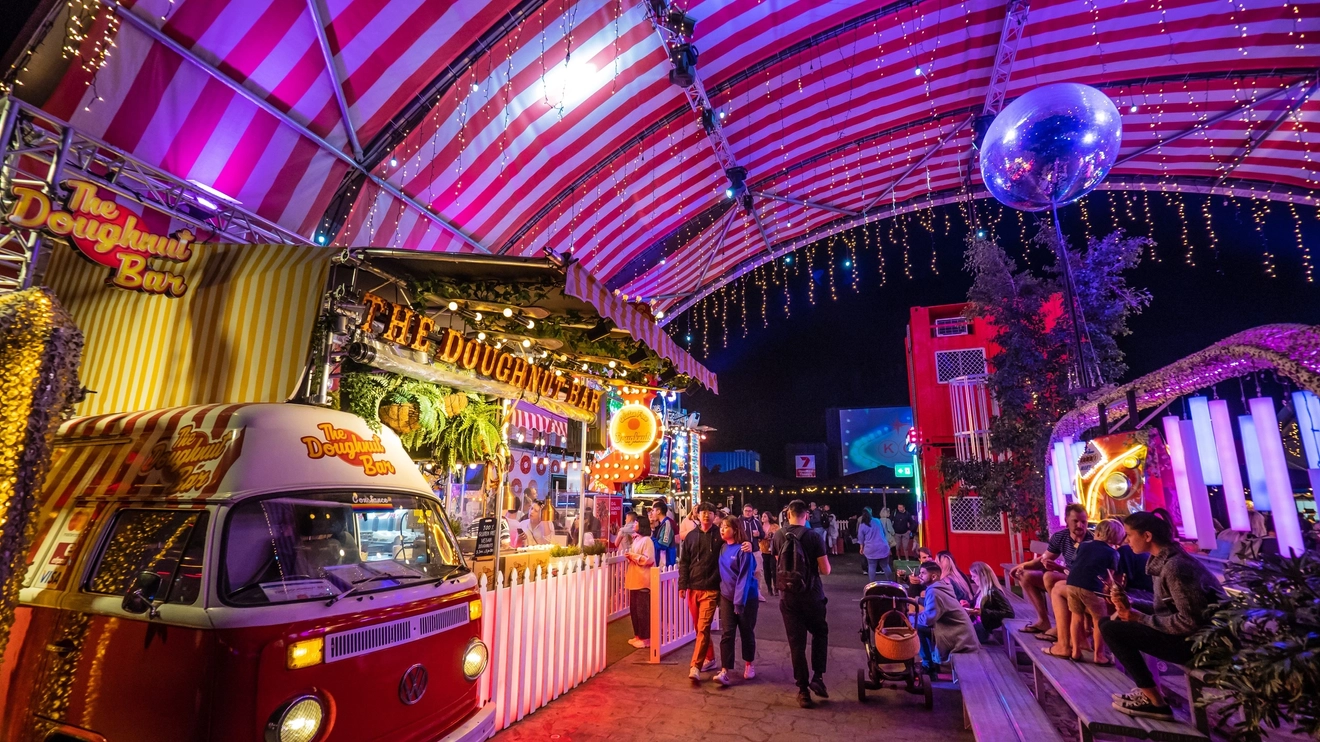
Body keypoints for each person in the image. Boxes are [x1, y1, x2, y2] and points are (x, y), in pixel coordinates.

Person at [1102, 511, 1225, 721]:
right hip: (1188, 639)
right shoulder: (1165, 562)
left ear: (1147, 536)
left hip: (1201, 647)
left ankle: (1155, 702)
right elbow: (1167, 609)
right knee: (1108, 622)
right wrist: (1132, 604)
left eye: (1130, 535)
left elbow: (1190, 621)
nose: (1126, 540)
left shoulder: (1176, 567)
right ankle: (1149, 693)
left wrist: (1139, 618)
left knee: (1111, 629)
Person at [774, 499, 831, 708]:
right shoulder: (814, 536)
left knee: (796, 643)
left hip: (788, 597)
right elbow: (825, 570)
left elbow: (778, 562)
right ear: (806, 515)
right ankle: (818, 677)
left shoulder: (779, 535)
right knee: (820, 633)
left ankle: (803, 690)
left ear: (788, 514)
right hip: (812, 595)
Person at [1010, 503, 1091, 640]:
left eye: (1083, 521)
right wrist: (1021, 567)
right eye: (1075, 521)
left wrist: (1058, 568)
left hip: (1084, 583)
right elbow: (1043, 559)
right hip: (1067, 578)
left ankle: (1062, 628)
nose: (1080, 525)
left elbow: (1082, 575)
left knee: (1049, 577)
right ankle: (1043, 621)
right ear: (1066, 521)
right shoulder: (1061, 537)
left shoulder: (1092, 542)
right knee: (1026, 575)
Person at [1050, 518, 1123, 664]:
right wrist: (1109, 591)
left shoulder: (1083, 545)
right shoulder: (1113, 553)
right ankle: (1099, 655)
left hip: (1072, 584)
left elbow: (1076, 563)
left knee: (1076, 618)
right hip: (1091, 588)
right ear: (1117, 537)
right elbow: (1109, 577)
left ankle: (1076, 651)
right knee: (1099, 620)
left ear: (1097, 532)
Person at [678, 502, 722, 681]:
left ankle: (695, 665)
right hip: (693, 588)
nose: (706, 515)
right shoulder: (690, 537)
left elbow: (737, 543)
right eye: (703, 512)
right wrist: (683, 585)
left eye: (710, 512)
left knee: (703, 627)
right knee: (699, 628)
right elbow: (684, 563)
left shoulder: (720, 536)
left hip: (711, 589)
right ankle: (710, 658)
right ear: (697, 515)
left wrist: (748, 546)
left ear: (714, 516)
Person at [715, 516, 760, 685]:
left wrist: (739, 602)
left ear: (735, 529)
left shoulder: (744, 550)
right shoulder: (722, 547)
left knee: (746, 631)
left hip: (746, 598)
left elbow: (745, 577)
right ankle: (725, 670)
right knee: (727, 633)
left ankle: (749, 664)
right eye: (721, 527)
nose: (722, 529)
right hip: (727, 596)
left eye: (726, 527)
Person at [913, 560, 980, 676]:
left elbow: (928, 619)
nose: (920, 576)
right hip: (960, 632)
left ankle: (928, 666)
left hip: (959, 636)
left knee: (915, 627)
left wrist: (911, 618)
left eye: (923, 573)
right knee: (920, 626)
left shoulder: (934, 592)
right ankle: (930, 662)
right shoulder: (941, 587)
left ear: (933, 576)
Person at [625, 519, 655, 648]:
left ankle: (645, 638)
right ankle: (638, 635)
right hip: (634, 578)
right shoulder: (637, 539)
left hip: (643, 580)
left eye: (636, 523)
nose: (634, 525)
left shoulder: (647, 540)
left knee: (642, 611)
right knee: (634, 609)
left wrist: (633, 556)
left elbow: (650, 559)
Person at [967, 561, 1014, 643]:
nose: (972, 579)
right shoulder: (980, 589)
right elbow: (979, 605)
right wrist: (969, 604)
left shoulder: (994, 591)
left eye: (974, 576)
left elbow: (1009, 613)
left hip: (984, 628)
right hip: (976, 623)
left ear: (982, 576)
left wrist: (984, 612)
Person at [856, 507, 893, 583]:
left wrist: (861, 548)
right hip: (882, 546)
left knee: (872, 566)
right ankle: (891, 582)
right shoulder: (877, 521)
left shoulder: (862, 525)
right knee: (885, 566)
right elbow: (884, 532)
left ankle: (872, 584)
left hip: (870, 548)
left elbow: (861, 538)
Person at [741, 504, 768, 602]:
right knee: (744, 572)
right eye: (746, 511)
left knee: (757, 571)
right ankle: (744, 592)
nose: (748, 513)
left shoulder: (757, 522)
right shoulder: (739, 522)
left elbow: (763, 535)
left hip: (755, 550)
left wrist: (759, 534)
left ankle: (757, 592)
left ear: (752, 512)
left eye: (749, 511)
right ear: (743, 511)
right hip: (743, 551)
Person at [759, 511, 779, 596]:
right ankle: (769, 588)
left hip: (773, 550)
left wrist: (772, 536)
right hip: (763, 550)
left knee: (774, 569)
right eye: (762, 516)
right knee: (766, 570)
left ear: (769, 517)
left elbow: (779, 536)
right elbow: (758, 538)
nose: (763, 518)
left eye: (765, 516)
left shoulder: (775, 526)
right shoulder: (760, 527)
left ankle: (776, 588)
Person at [652, 502, 677, 567]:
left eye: (653, 510)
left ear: (658, 511)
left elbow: (662, 545)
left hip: (666, 562)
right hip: (662, 562)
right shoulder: (662, 524)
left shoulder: (667, 524)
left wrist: (651, 538)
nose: (652, 513)